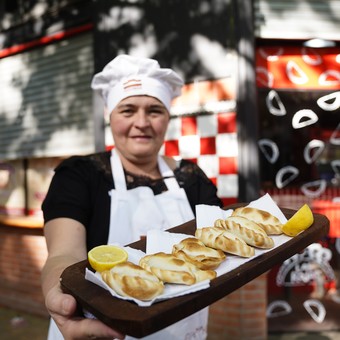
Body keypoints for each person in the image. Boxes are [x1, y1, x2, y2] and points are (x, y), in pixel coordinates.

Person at [41, 54, 223, 340]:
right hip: (97, 331)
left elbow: (218, 249)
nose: (142, 122)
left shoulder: (193, 178)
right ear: (109, 115)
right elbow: (64, 252)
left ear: (167, 117)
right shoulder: (79, 175)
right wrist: (59, 292)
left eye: (154, 110)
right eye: (127, 110)